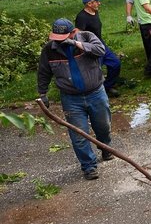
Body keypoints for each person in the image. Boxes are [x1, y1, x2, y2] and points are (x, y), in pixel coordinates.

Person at [37, 18, 114, 180]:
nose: (59, 42)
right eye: (57, 38)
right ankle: (89, 166)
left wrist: (77, 44)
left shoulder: (87, 37)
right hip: (71, 98)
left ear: (73, 32)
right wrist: (42, 93)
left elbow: (100, 50)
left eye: (64, 38)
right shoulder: (49, 50)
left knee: (103, 126)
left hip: (96, 93)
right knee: (78, 136)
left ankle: (105, 147)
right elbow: (44, 72)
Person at [74, 0, 122, 97]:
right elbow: (78, 34)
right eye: (96, 2)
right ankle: (95, 92)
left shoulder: (95, 12)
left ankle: (108, 86)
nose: (99, 3)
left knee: (115, 63)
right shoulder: (82, 17)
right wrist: (85, 48)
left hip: (100, 43)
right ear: (89, 4)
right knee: (96, 70)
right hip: (91, 47)